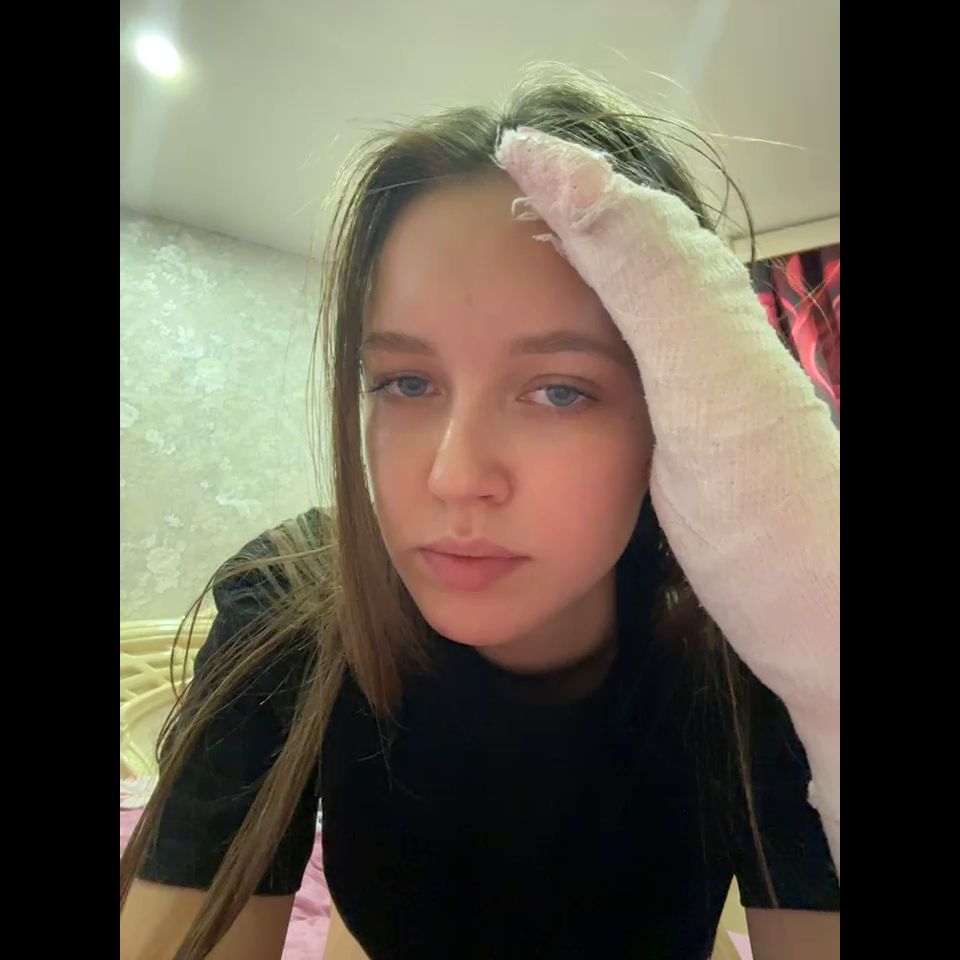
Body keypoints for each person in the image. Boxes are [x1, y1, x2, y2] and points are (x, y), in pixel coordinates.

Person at [120, 64, 840, 959]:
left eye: (560, 391)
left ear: (669, 412)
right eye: (406, 382)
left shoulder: (749, 641)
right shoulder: (292, 603)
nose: (455, 477)